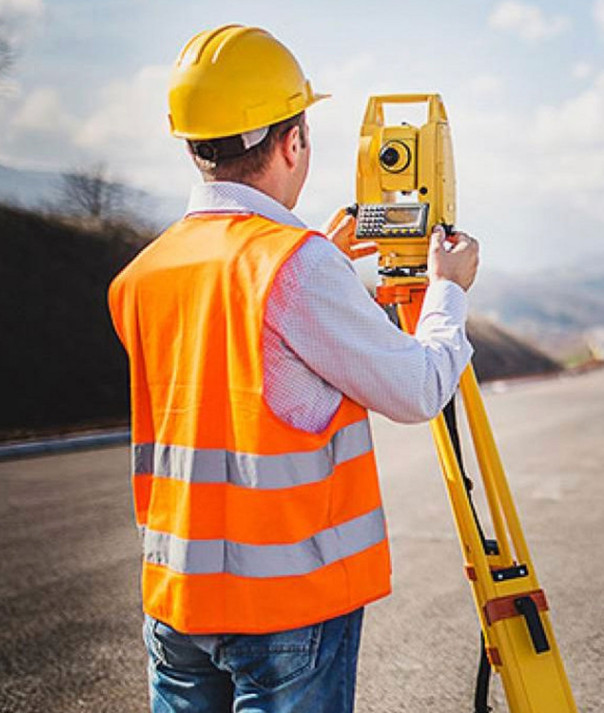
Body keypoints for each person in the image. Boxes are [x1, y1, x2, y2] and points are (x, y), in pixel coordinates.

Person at [107, 25, 479, 712]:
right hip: (285, 609)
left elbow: (235, 363)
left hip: (177, 601)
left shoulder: (142, 275)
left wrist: (322, 261)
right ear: (292, 141)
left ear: (196, 147)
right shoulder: (296, 267)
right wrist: (448, 288)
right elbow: (421, 386)